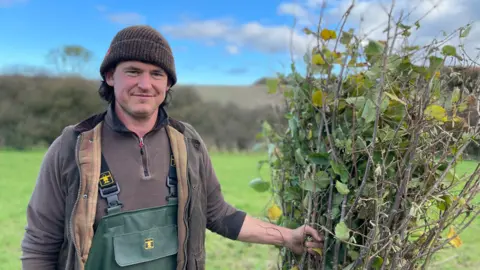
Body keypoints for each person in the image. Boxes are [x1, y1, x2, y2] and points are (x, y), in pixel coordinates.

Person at [20, 25, 323, 270]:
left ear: (167, 85)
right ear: (111, 76)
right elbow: (39, 245)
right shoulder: (72, 147)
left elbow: (218, 215)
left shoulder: (187, 142)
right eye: (133, 71)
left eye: (157, 74)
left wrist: (288, 237)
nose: (145, 84)